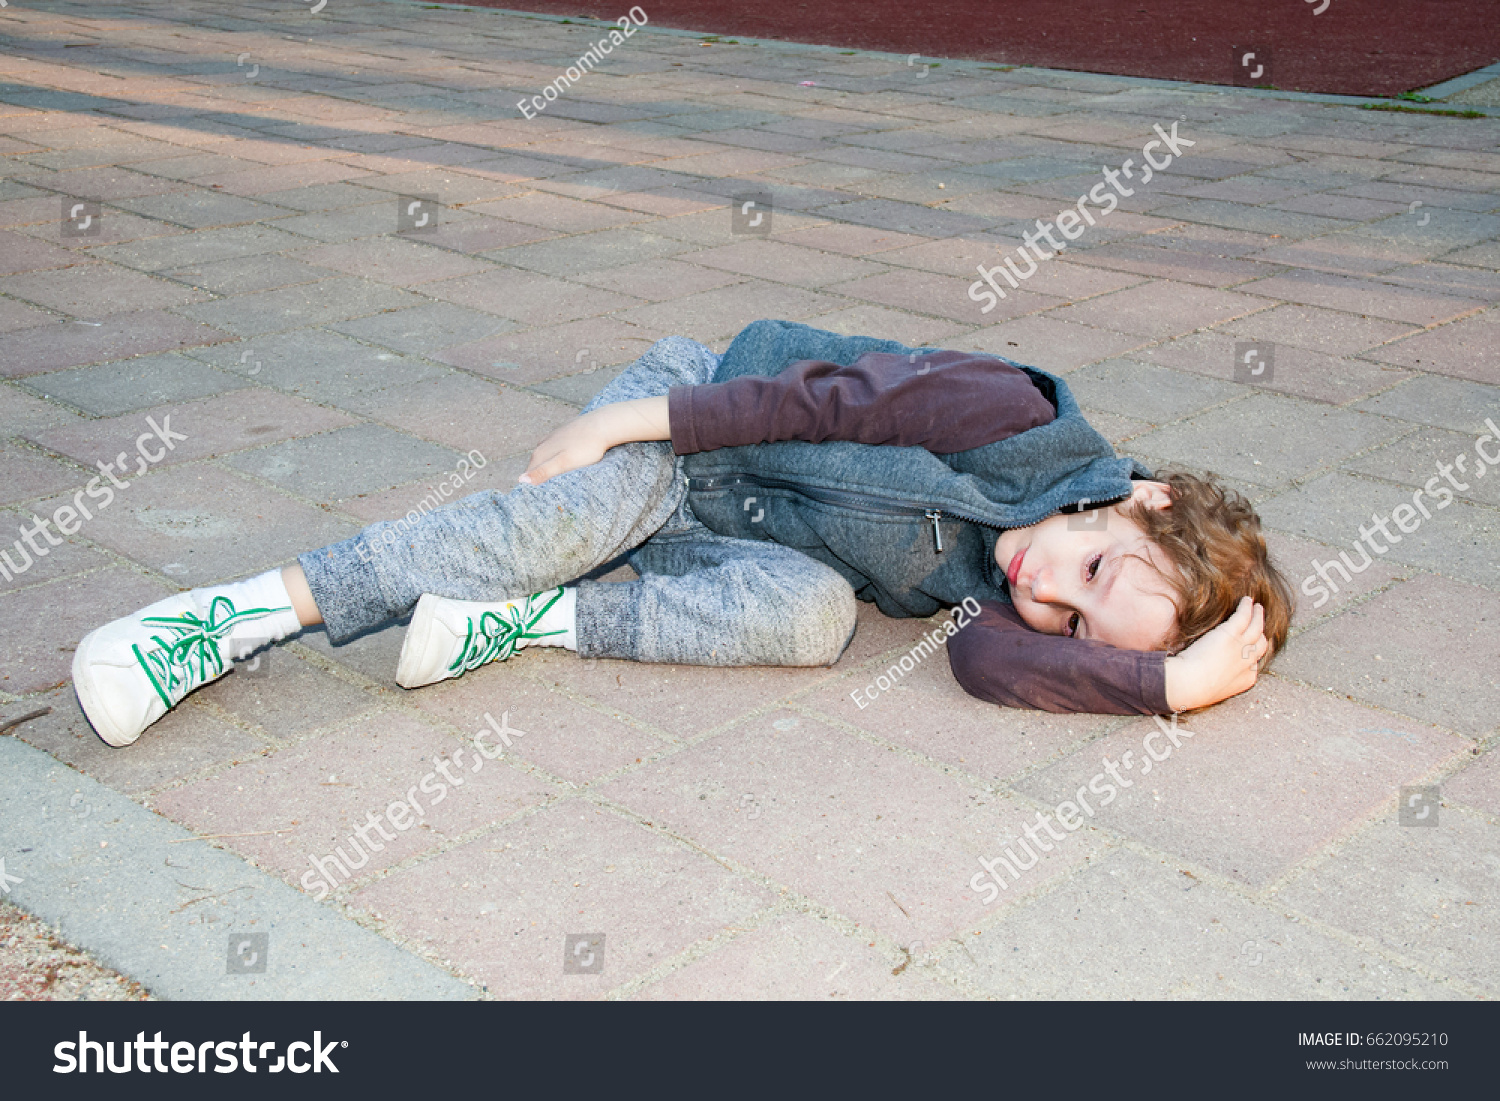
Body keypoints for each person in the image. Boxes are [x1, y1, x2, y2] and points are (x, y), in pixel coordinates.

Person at [71, 320, 1291, 748]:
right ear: (1145, 497)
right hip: (694, 429)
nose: (1044, 590)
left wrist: (1159, 687)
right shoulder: (1022, 422)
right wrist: (631, 420)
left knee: (817, 624)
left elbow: (983, 662)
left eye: (1073, 625)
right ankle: (230, 618)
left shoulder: (1013, 599)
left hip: (729, 536)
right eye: (1090, 570)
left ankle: (534, 623)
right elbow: (831, 399)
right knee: (551, 524)